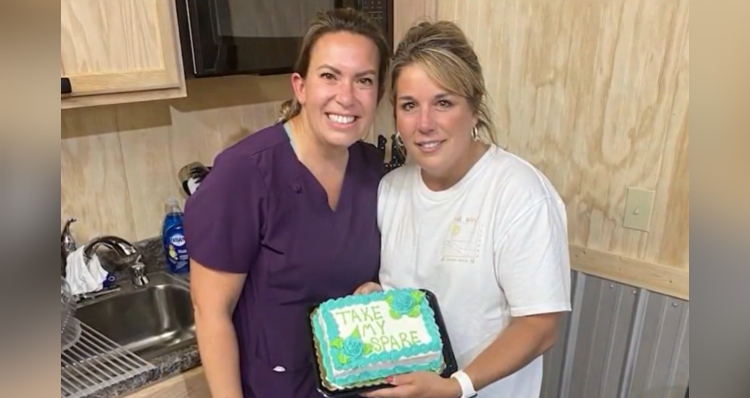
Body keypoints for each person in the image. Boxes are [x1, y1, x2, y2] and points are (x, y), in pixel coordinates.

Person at [356, 20, 572, 398]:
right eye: (409, 105)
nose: (425, 123)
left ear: (474, 109)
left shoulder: (519, 194)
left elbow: (540, 325)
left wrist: (457, 386)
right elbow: (410, 293)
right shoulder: (390, 191)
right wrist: (378, 302)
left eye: (443, 102)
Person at [183, 8, 390, 398]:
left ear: (378, 94)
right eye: (329, 76)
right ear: (300, 87)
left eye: (363, 80)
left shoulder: (374, 172)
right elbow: (211, 313)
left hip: (355, 386)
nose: (346, 97)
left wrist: (370, 290)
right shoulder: (243, 175)